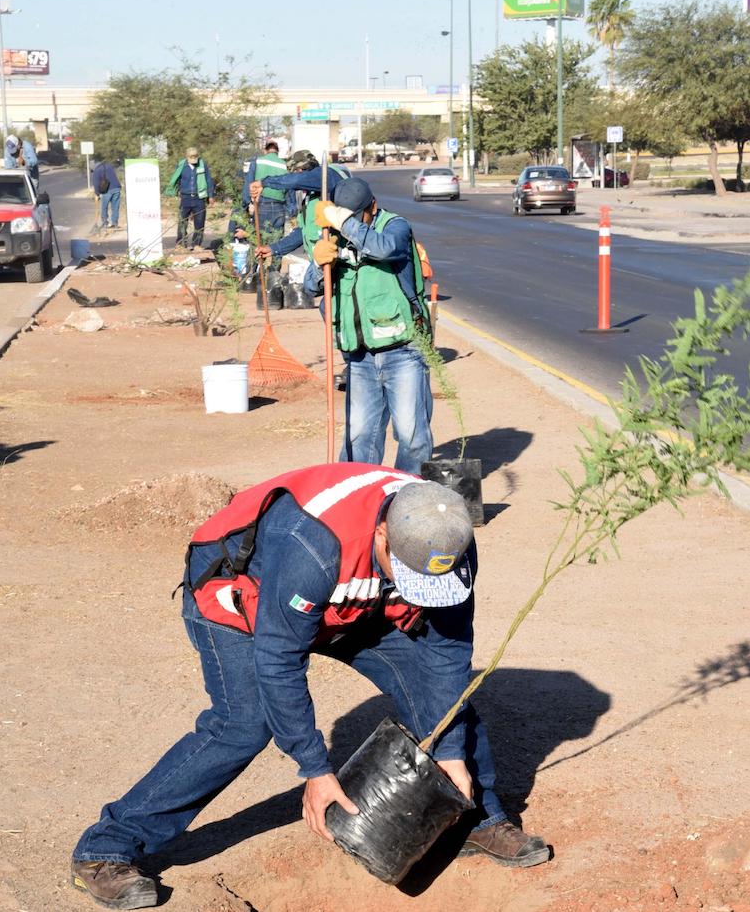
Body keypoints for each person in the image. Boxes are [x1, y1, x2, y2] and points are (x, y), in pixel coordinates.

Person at [70, 463, 550, 909]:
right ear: (382, 534)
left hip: (356, 604)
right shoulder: (311, 542)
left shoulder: (445, 539)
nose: (417, 588)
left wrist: (447, 752)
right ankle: (106, 847)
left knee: (437, 693)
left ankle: (478, 820)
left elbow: (447, 653)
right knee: (243, 723)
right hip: (245, 597)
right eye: (407, 575)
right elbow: (280, 659)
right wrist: (315, 770)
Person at [308, 177, 434, 475]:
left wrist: (343, 221)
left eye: (356, 216)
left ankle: (406, 500)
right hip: (359, 357)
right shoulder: (331, 236)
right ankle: (357, 501)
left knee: (412, 436)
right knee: (358, 438)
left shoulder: (395, 227)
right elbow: (312, 288)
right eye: (343, 215)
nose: (350, 223)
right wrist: (317, 264)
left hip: (403, 351)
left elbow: (385, 248)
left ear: (372, 207)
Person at [240, 140, 294, 242]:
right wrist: (291, 212)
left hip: (261, 206)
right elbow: (290, 191)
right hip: (279, 207)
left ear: (265, 150)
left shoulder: (257, 162)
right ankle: (276, 258)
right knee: (276, 245)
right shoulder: (285, 165)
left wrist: (245, 205)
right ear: (277, 152)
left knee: (258, 242)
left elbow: (249, 184)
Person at [165, 146, 215, 250]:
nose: (193, 159)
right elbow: (176, 179)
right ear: (187, 157)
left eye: (195, 157)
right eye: (191, 157)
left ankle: (196, 244)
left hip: (199, 198)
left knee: (199, 222)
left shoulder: (202, 164)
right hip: (186, 197)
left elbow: (209, 180)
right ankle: (181, 244)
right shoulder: (181, 165)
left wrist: (211, 196)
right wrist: (174, 193)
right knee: (182, 222)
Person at [91, 157, 122, 230]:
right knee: (115, 207)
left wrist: (97, 194)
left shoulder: (96, 171)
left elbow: (96, 184)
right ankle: (115, 223)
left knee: (104, 207)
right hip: (117, 188)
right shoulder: (109, 166)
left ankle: (105, 223)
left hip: (107, 190)